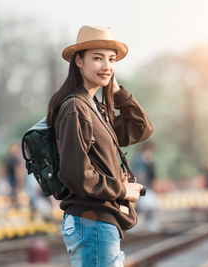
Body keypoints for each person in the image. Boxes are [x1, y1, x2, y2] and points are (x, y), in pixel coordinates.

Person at [46, 25, 154, 266]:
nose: (106, 66)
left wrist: (118, 92)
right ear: (79, 62)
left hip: (99, 222)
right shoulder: (76, 108)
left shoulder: (95, 107)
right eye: (97, 58)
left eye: (111, 59)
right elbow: (77, 173)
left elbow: (141, 128)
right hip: (92, 220)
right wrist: (122, 190)